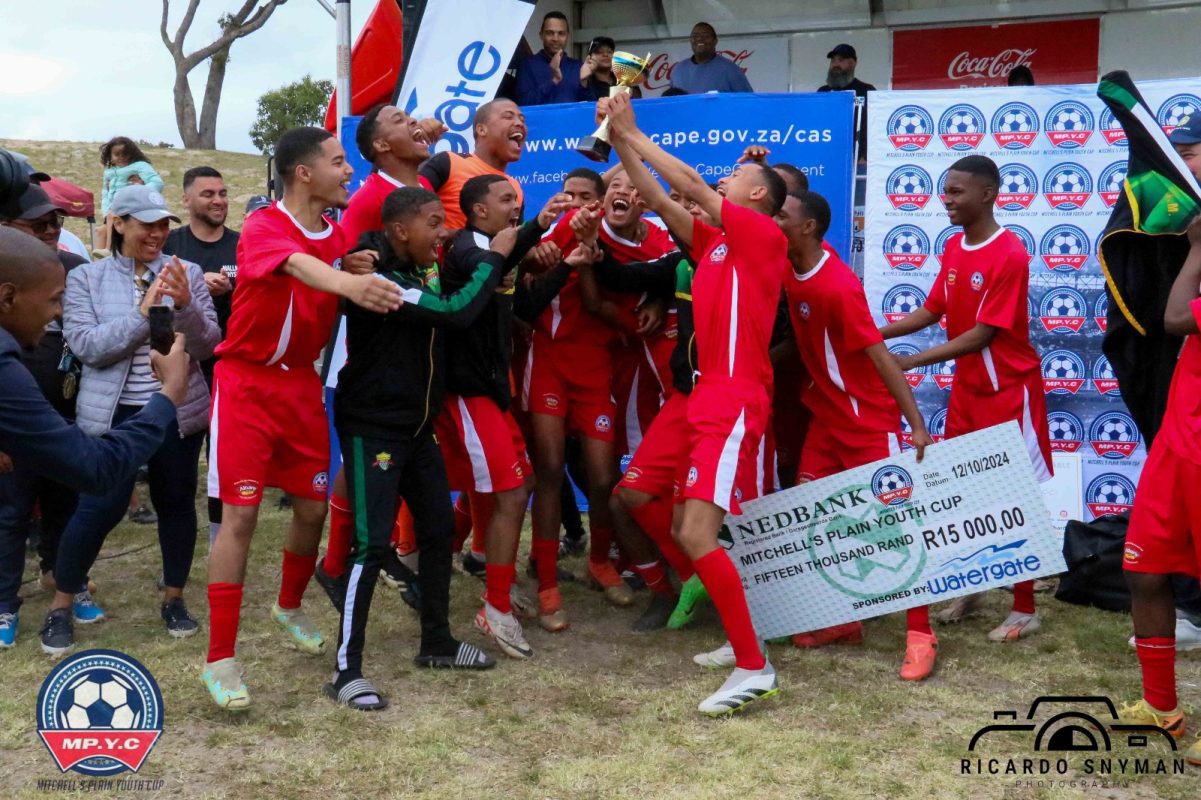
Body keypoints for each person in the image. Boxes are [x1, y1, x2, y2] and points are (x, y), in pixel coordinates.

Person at [202, 126, 403, 711]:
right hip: (246, 385)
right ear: (304, 173)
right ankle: (220, 659)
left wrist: (348, 259)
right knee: (240, 517)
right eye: (339, 161)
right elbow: (296, 264)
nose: (349, 170)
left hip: (300, 388)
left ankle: (288, 604)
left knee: (313, 507)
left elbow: (326, 258)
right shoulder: (265, 224)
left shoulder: (335, 236)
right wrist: (349, 280)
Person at [604, 91, 787, 714]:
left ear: (757, 194)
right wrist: (620, 141)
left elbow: (685, 183)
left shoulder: (762, 235)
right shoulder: (717, 246)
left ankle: (754, 667)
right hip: (705, 396)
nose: (724, 180)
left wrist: (635, 128)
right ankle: (744, 643)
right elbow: (661, 198)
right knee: (686, 526)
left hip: (733, 400)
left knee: (698, 532)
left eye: (735, 176)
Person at [328, 186, 513, 709]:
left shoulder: (413, 264)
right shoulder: (380, 278)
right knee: (372, 546)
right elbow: (456, 312)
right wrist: (495, 257)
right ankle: (346, 671)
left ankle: (437, 643)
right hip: (375, 428)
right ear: (399, 230)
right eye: (433, 223)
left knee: (436, 532)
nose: (444, 232)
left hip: (418, 426)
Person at [38, 185, 220, 654]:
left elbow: (207, 346)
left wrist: (187, 307)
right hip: (112, 414)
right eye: (146, 225)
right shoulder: (87, 278)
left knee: (176, 504)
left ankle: (174, 599)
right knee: (98, 508)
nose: (157, 234)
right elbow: (88, 347)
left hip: (177, 411)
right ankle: (61, 604)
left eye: (163, 225)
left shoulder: (187, 273)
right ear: (119, 223)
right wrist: (143, 314)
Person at [880, 155, 1052, 642]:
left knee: (1014, 497)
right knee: (963, 492)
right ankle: (973, 584)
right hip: (967, 393)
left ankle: (1025, 608)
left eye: (956, 192)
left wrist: (908, 362)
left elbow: (982, 335)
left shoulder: (1009, 253)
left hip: (1008, 392)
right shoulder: (956, 246)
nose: (947, 200)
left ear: (987, 194)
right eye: (946, 190)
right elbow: (932, 310)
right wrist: (871, 336)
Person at [0, 228, 193, 647]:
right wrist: (169, 394)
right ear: (8, 297)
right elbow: (97, 468)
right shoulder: (5, 368)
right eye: (54, 300)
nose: (58, 315)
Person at [774, 190, 939, 680]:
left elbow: (881, 358)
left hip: (867, 420)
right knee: (814, 519)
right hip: (825, 419)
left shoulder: (838, 287)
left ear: (807, 228)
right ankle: (840, 621)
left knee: (894, 525)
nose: (773, 221)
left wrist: (916, 424)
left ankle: (921, 635)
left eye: (782, 215)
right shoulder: (793, 263)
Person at [524, 167, 676, 629]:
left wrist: (658, 297)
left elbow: (672, 269)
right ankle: (547, 585)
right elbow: (526, 260)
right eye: (615, 188)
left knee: (605, 474)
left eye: (633, 188)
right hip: (550, 359)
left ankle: (599, 561)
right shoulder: (571, 226)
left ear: (646, 202)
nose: (580, 205)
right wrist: (534, 255)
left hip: (599, 367)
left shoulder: (658, 239)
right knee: (550, 469)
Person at [437, 175, 575, 658]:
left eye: (517, 199)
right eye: (505, 200)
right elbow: (491, 263)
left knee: (521, 483)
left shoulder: (490, 250)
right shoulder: (466, 250)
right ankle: (494, 605)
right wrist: (532, 233)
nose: (515, 204)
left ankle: (492, 582)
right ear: (478, 211)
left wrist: (541, 226)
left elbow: (507, 264)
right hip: (468, 393)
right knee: (510, 492)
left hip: (491, 391)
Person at [318, 102, 445, 609]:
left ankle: (387, 551)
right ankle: (338, 562)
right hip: (380, 352)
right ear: (379, 146)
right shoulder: (369, 198)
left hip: (421, 346)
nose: (412, 119)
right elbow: (346, 270)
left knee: (398, 461)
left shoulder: (419, 182)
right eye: (398, 119)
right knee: (367, 460)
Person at [0, 187, 88, 645]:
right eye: (38, 224)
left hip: (65, 414)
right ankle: (4, 603)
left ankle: (63, 578)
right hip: (13, 428)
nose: (51, 230)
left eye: (56, 221)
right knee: (12, 514)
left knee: (65, 506)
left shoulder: (75, 269)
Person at [163, 166, 239, 546]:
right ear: (186, 199)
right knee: (178, 468)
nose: (218, 201)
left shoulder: (242, 244)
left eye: (222, 193)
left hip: (231, 367)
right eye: (208, 194)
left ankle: (219, 540)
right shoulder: (170, 245)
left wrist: (231, 290)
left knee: (223, 463)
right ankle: (177, 542)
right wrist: (194, 289)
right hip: (186, 368)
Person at [419, 99, 526, 230]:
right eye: (508, 117)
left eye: (522, 120)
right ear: (481, 129)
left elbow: (515, 237)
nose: (519, 123)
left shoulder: (515, 188)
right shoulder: (449, 162)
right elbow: (410, 209)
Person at [97, 137, 164, 252]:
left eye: (124, 154)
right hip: (112, 209)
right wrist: (105, 210)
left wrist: (140, 190)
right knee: (100, 231)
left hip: (133, 207)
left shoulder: (140, 166)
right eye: (117, 154)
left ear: (132, 153)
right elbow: (105, 193)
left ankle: (108, 250)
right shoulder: (109, 172)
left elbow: (157, 183)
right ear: (110, 156)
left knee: (112, 217)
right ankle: (99, 260)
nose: (121, 157)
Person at [514, 12, 592, 106]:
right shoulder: (527, 65)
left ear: (568, 36)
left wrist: (584, 83)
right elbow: (522, 104)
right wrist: (554, 80)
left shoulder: (578, 67)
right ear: (541, 35)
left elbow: (590, 107)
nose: (555, 38)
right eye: (550, 33)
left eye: (561, 33)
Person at [817, 44, 876, 160]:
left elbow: (873, 127)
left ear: (853, 63)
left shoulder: (866, 91)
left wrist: (865, 155)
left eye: (841, 60)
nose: (835, 65)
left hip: (857, 157)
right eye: (833, 61)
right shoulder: (823, 92)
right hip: (827, 154)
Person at [668, 23, 752, 95]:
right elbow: (670, 104)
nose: (699, 39)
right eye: (695, 36)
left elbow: (748, 102)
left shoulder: (730, 69)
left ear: (715, 41)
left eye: (705, 35)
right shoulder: (678, 70)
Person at [581, 36, 642, 100]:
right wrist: (583, 80)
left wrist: (633, 88)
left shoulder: (623, 80)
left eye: (609, 52)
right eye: (599, 52)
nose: (605, 54)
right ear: (589, 58)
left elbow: (637, 102)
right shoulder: (585, 82)